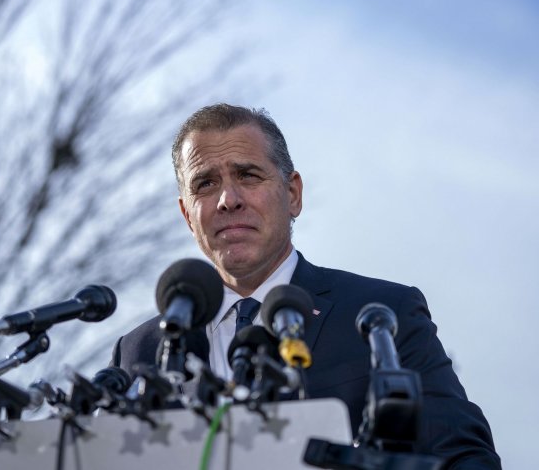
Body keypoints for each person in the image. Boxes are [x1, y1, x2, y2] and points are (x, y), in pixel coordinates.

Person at [111, 103, 500, 468]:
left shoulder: (382, 314)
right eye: (206, 184)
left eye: (247, 175)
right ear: (187, 215)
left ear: (293, 194)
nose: (228, 199)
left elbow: (462, 457)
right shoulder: (138, 350)